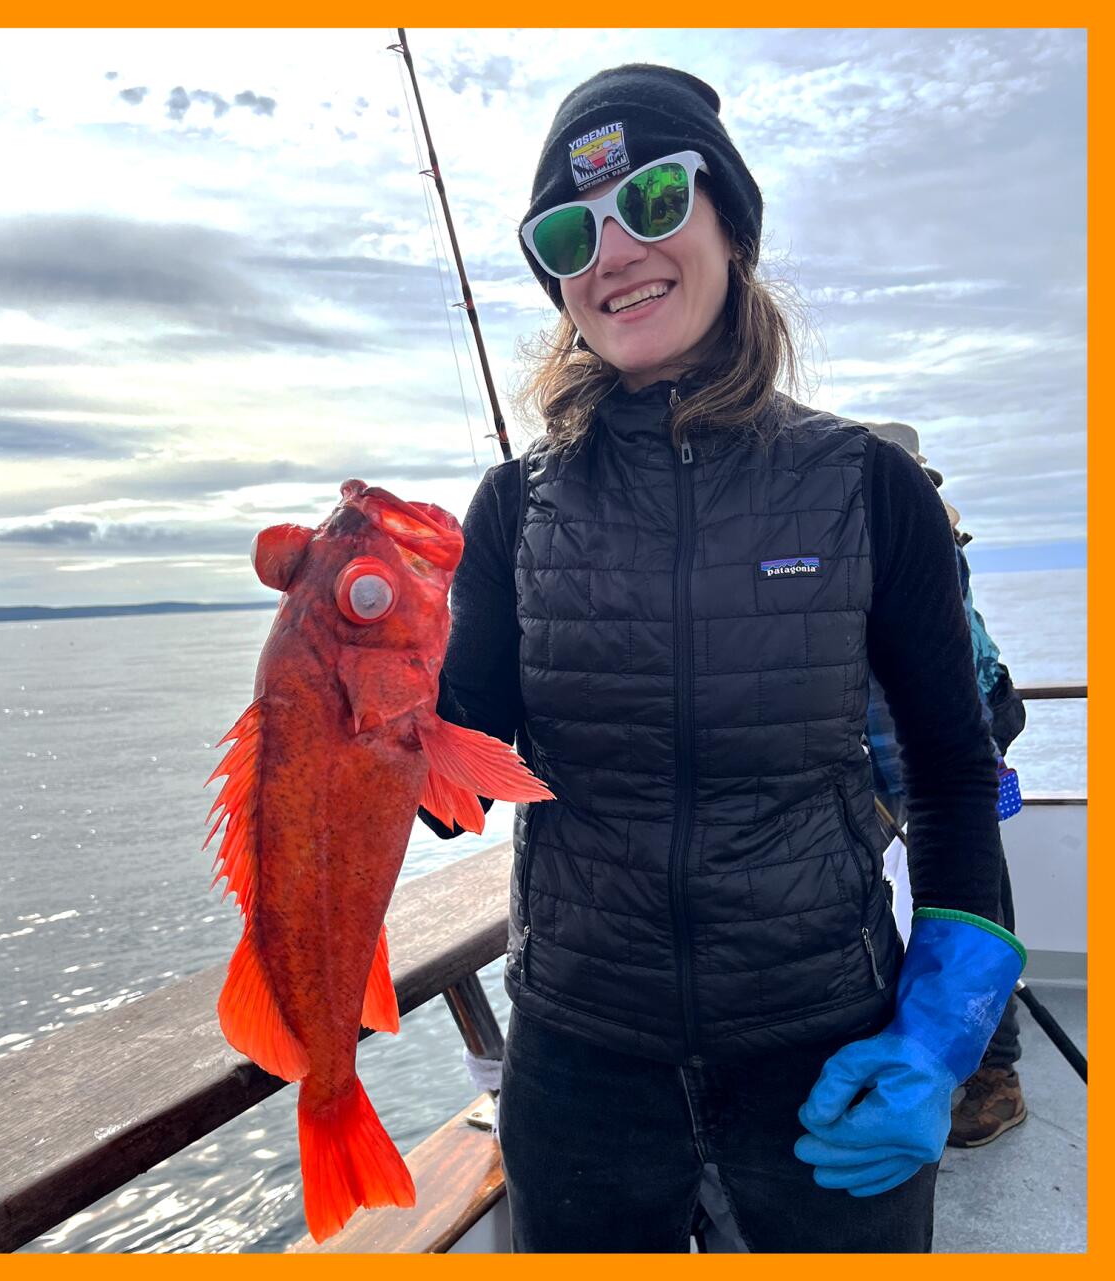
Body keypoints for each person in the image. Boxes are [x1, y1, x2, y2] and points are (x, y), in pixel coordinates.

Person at [419, 64, 1024, 1254]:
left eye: (653, 201)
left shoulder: (869, 485)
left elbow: (953, 774)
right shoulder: (510, 507)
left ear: (730, 222)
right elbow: (455, 789)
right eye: (568, 233)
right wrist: (349, 692)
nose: (611, 253)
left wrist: (938, 1038)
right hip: (580, 1064)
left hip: (823, 1036)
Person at [860, 431, 1029, 1147]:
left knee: (970, 896)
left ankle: (997, 1070)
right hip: (883, 750)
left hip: (954, 737)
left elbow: (944, 681)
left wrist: (975, 763)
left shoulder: (917, 538)